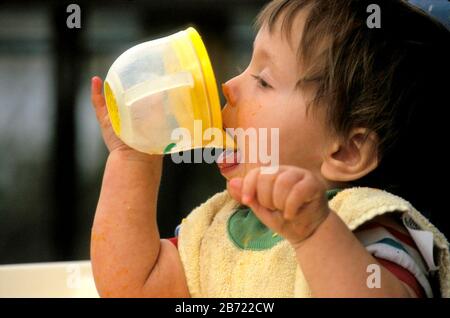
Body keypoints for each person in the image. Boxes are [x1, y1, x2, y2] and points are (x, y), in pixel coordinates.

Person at [90, 0, 450, 297]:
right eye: (247, 67)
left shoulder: (367, 228)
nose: (229, 85)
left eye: (263, 80)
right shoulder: (216, 231)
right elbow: (133, 288)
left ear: (345, 152)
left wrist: (314, 234)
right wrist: (132, 156)